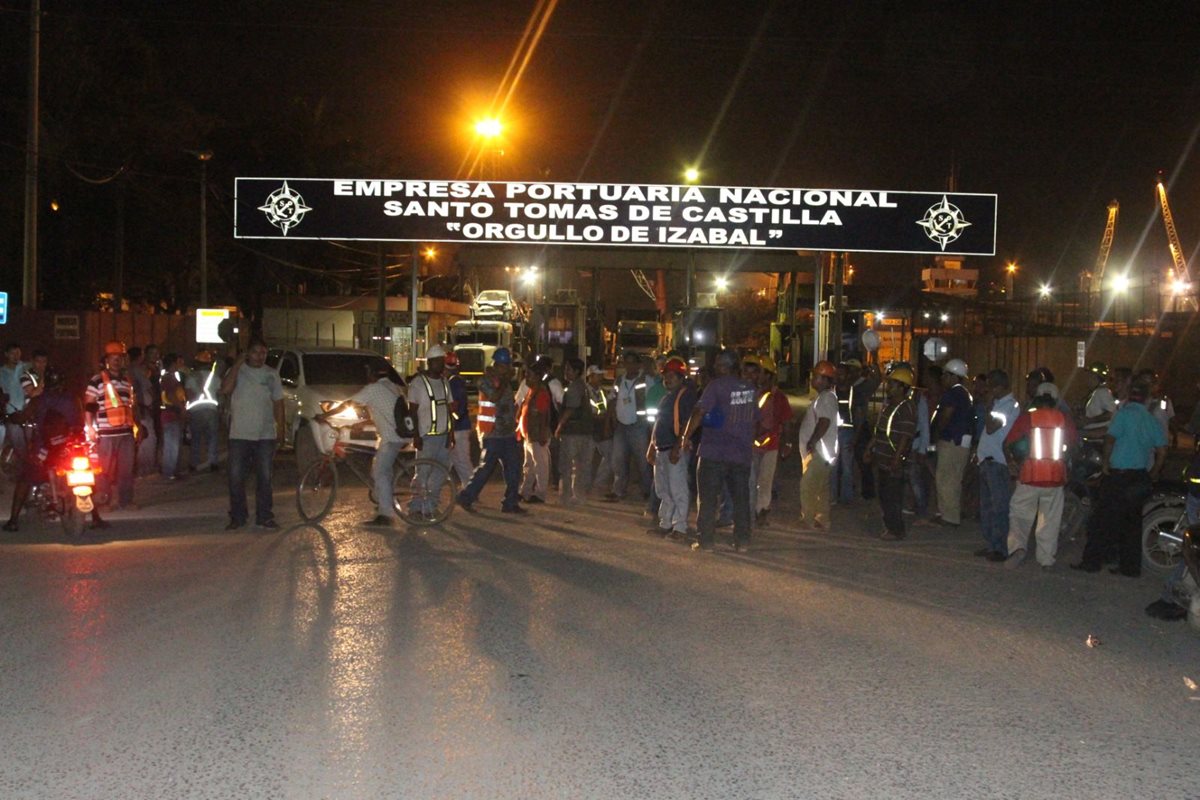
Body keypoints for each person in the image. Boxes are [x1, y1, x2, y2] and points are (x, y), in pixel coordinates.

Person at [1073, 380, 1167, 577]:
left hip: (1118, 475)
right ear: (1146, 399)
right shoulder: (1151, 420)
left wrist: (1105, 463)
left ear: (1130, 396)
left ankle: (1092, 562)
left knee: (1100, 521)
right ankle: (1129, 568)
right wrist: (1154, 472)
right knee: (1132, 525)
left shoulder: (1123, 415)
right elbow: (1162, 450)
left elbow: (1109, 439)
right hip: (1139, 476)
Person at [4, 367, 109, 532]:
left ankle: (13, 520)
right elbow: (81, 422)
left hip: (45, 450)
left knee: (25, 477)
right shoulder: (74, 399)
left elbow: (22, 417)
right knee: (86, 474)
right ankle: (95, 517)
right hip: (71, 448)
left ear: (45, 382)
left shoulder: (38, 400)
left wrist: (12, 416)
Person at [679, 349, 758, 552]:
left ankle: (705, 541)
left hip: (714, 452)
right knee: (741, 499)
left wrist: (685, 437)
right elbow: (755, 419)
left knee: (708, 498)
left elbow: (699, 411)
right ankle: (743, 541)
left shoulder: (716, 386)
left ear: (725, 366)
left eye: (718, 363)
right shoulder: (749, 389)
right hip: (740, 453)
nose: (715, 367)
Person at [318, 365, 407, 526]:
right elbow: (387, 412)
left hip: (390, 437)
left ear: (372, 376)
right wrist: (364, 423)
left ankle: (386, 515)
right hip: (398, 435)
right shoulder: (392, 386)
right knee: (378, 470)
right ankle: (386, 500)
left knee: (380, 472)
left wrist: (325, 415)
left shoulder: (373, 389)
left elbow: (348, 403)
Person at [1004, 382, 1076, 568]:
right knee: (1050, 521)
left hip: (1030, 475)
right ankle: (1046, 559)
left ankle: (1018, 549)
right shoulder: (1064, 419)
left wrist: (1012, 463)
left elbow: (1008, 443)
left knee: (1019, 515)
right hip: (1055, 477)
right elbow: (1073, 446)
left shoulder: (1027, 418)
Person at [220, 340, 284, 530]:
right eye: (255, 352)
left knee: (264, 478)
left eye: (263, 353)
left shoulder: (271, 374)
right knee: (236, 477)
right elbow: (225, 389)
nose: (259, 356)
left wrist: (280, 430)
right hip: (240, 434)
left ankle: (264, 516)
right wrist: (237, 364)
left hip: (265, 435)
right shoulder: (238, 371)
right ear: (248, 353)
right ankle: (238, 517)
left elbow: (278, 402)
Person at [458, 347, 525, 514]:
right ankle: (466, 496)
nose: (509, 369)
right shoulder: (484, 381)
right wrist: (505, 381)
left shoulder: (504, 381)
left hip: (507, 433)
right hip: (492, 433)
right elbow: (494, 397)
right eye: (506, 366)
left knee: (514, 469)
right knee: (485, 468)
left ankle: (510, 502)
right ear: (497, 365)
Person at [864, 364, 917, 540]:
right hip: (883, 459)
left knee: (892, 497)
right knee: (885, 495)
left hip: (894, 461)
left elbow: (905, 436)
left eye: (893, 384)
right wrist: (870, 447)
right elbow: (880, 430)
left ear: (903, 387)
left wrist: (897, 458)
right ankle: (890, 526)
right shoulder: (889, 406)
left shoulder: (907, 408)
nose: (889, 387)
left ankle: (896, 530)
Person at [646, 356, 696, 538]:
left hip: (674, 449)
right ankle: (666, 523)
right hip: (662, 449)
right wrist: (652, 447)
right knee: (663, 490)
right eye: (666, 375)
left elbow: (687, 423)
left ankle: (680, 527)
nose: (667, 379)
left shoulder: (685, 396)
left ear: (681, 377)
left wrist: (678, 446)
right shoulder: (668, 398)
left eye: (672, 376)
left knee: (678, 489)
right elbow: (659, 424)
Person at [974, 369, 1021, 561]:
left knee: (999, 507)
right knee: (987, 507)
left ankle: (1000, 548)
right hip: (986, 462)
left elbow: (992, 428)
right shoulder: (999, 404)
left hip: (998, 464)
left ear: (999, 386)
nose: (987, 390)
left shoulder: (1009, 405)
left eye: (990, 386)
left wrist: (988, 405)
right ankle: (991, 544)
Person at [407, 345, 454, 520]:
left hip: (443, 435)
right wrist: (416, 435)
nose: (442, 364)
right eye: (439, 361)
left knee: (441, 472)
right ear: (430, 362)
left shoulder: (444, 382)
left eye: (443, 361)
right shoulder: (418, 383)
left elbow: (449, 411)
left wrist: (451, 434)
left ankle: (431, 505)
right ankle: (415, 507)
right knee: (422, 473)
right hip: (426, 436)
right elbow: (412, 412)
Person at [605, 350, 653, 503]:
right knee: (618, 460)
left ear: (638, 365)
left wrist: (651, 425)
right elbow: (611, 399)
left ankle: (648, 491)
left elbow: (653, 399)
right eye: (627, 362)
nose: (630, 365)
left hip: (639, 425)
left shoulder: (646, 380)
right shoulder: (619, 380)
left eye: (633, 362)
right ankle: (618, 490)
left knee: (643, 461)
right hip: (621, 426)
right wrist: (611, 420)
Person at [797, 360, 840, 530]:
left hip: (820, 452)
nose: (812, 379)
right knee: (821, 488)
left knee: (807, 486)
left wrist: (812, 441)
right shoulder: (824, 397)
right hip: (822, 453)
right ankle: (822, 520)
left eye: (816, 376)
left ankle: (807, 519)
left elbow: (824, 422)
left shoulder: (827, 398)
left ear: (825, 380)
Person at [932, 357, 974, 527]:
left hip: (951, 441)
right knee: (954, 479)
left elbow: (946, 416)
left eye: (945, 375)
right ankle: (950, 514)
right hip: (962, 442)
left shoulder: (953, 394)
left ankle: (948, 517)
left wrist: (937, 433)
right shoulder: (965, 394)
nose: (942, 379)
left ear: (953, 376)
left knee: (945, 479)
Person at [752, 355, 793, 526]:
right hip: (753, 445)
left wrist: (788, 443)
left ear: (768, 375)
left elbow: (787, 421)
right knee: (752, 481)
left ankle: (761, 512)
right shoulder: (751, 392)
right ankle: (753, 512)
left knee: (765, 481)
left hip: (770, 445)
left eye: (759, 372)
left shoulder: (778, 397)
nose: (756, 375)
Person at [554, 358, 592, 505]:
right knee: (581, 465)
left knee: (567, 465)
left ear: (576, 372)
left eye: (568, 369)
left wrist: (560, 426)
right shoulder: (582, 386)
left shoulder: (575, 387)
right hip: (584, 430)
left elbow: (571, 409)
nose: (566, 372)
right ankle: (579, 495)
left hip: (573, 431)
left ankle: (566, 496)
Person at [518, 362, 553, 504]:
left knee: (540, 465)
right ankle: (525, 491)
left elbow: (544, 415)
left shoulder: (541, 393)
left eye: (529, 375)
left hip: (537, 435)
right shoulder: (532, 391)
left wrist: (543, 433)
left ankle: (540, 494)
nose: (526, 377)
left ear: (538, 377)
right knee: (530, 466)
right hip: (530, 434)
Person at [849, 358, 880, 501]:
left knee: (863, 460)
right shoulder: (849, 385)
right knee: (852, 460)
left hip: (860, 426)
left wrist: (874, 357)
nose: (849, 372)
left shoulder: (862, 385)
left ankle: (868, 491)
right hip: (850, 425)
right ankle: (853, 488)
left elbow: (878, 379)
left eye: (851, 369)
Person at [185, 349, 221, 472]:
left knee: (196, 438)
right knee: (212, 438)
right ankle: (213, 462)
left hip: (196, 410)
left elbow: (188, 394)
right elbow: (219, 392)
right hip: (211, 409)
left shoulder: (191, 377)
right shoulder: (214, 377)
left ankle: (194, 463)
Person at [444, 351, 475, 485]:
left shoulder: (453, 383)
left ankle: (471, 489)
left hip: (458, 428)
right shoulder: (455, 382)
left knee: (461, 460)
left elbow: (454, 407)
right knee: (453, 460)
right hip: (458, 427)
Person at [0, 342, 31, 467]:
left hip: (28, 413)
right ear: (6, 354)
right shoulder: (1, 372)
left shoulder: (26, 367)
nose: (16, 356)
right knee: (19, 447)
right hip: (12, 414)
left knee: (30, 445)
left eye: (18, 353)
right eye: (12, 353)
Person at [585, 365, 615, 494]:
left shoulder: (602, 391)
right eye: (598, 375)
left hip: (601, 427)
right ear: (590, 377)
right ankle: (584, 485)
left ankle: (599, 483)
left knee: (610, 456)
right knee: (586, 459)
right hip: (589, 428)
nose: (600, 377)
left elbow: (607, 407)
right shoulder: (584, 391)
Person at [159, 353, 188, 480]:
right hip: (171, 414)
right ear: (173, 363)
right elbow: (171, 395)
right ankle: (169, 472)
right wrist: (181, 408)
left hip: (173, 414)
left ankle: (173, 470)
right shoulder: (168, 378)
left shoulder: (171, 377)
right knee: (172, 445)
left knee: (174, 444)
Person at [833, 361, 858, 503]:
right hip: (834, 432)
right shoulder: (832, 392)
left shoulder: (853, 392)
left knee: (847, 467)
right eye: (837, 374)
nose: (839, 377)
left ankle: (846, 497)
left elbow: (859, 415)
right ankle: (833, 496)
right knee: (834, 466)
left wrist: (856, 436)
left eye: (842, 374)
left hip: (848, 432)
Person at [1079, 362, 1116, 441]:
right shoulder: (1094, 392)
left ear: (1095, 376)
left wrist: (1090, 420)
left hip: (1098, 439)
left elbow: (1110, 414)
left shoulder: (1102, 392)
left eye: (1089, 375)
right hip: (1091, 436)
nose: (1087, 379)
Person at [1140, 369, 1176, 444]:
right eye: (1143, 382)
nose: (1147, 386)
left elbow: (1170, 419)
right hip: (1143, 444)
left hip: (1159, 444)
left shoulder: (1164, 402)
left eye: (1150, 383)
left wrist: (1174, 436)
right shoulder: (1137, 401)